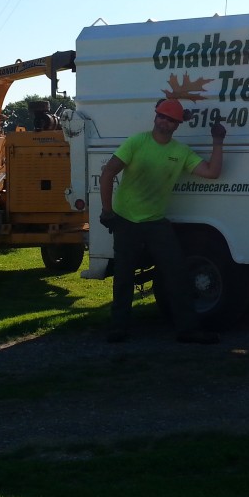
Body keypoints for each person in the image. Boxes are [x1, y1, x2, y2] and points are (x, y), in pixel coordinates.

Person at [99, 98, 227, 344]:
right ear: (155, 117)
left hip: (156, 222)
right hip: (126, 220)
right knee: (124, 275)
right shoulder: (137, 142)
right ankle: (119, 328)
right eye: (162, 117)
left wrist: (218, 142)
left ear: (177, 126)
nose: (165, 122)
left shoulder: (180, 153)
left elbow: (212, 172)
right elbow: (108, 173)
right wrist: (107, 211)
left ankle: (188, 330)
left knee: (176, 274)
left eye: (171, 120)